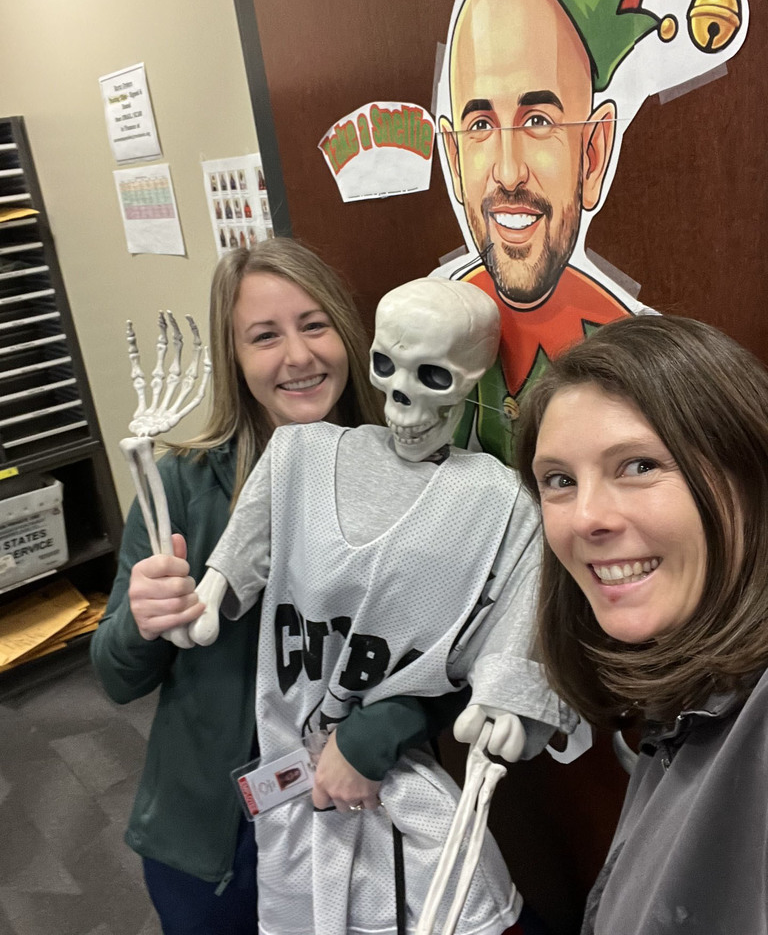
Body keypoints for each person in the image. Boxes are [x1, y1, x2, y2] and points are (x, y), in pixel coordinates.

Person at [91, 239, 462, 935]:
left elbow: (453, 656)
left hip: (355, 810)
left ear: (348, 336)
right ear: (236, 359)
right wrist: (139, 621)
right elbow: (115, 679)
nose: (297, 356)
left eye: (314, 324)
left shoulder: (419, 486)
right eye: (265, 336)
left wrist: (378, 734)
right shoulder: (181, 489)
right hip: (212, 838)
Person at [181, 276, 571, 935]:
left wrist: (508, 698)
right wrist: (215, 585)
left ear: (471, 379)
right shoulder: (296, 456)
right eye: (387, 367)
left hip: (395, 781)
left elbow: (518, 620)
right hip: (281, 772)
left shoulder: (498, 502)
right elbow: (245, 542)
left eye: (432, 377)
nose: (405, 396)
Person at [433, 0, 752, 462]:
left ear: (594, 152)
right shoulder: (434, 330)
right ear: (454, 156)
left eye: (539, 121)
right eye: (480, 126)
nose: (508, 172)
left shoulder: (631, 351)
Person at [516, 313, 768, 935]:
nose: (585, 518)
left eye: (638, 466)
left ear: (751, 474)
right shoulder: (693, 707)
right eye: (560, 481)